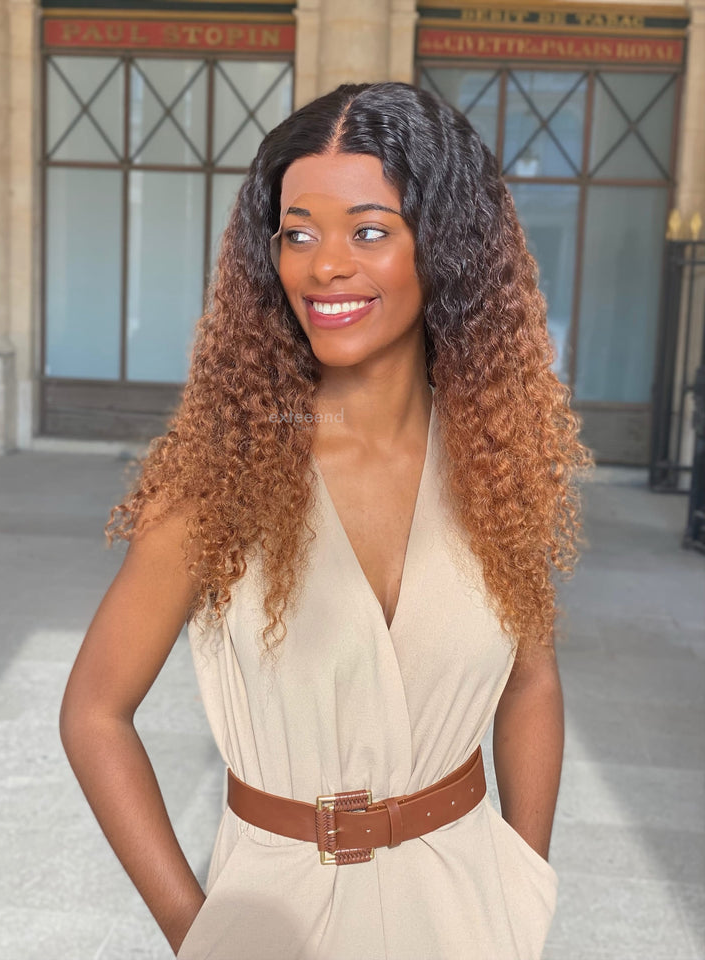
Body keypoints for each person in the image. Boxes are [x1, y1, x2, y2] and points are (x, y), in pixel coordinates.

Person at [60, 81, 594, 960]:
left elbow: (531, 682)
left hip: (467, 912)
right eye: (298, 233)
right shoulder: (223, 477)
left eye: (369, 232)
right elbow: (94, 713)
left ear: (445, 246)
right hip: (276, 919)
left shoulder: (495, 463)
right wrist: (200, 934)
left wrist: (522, 884)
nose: (324, 266)